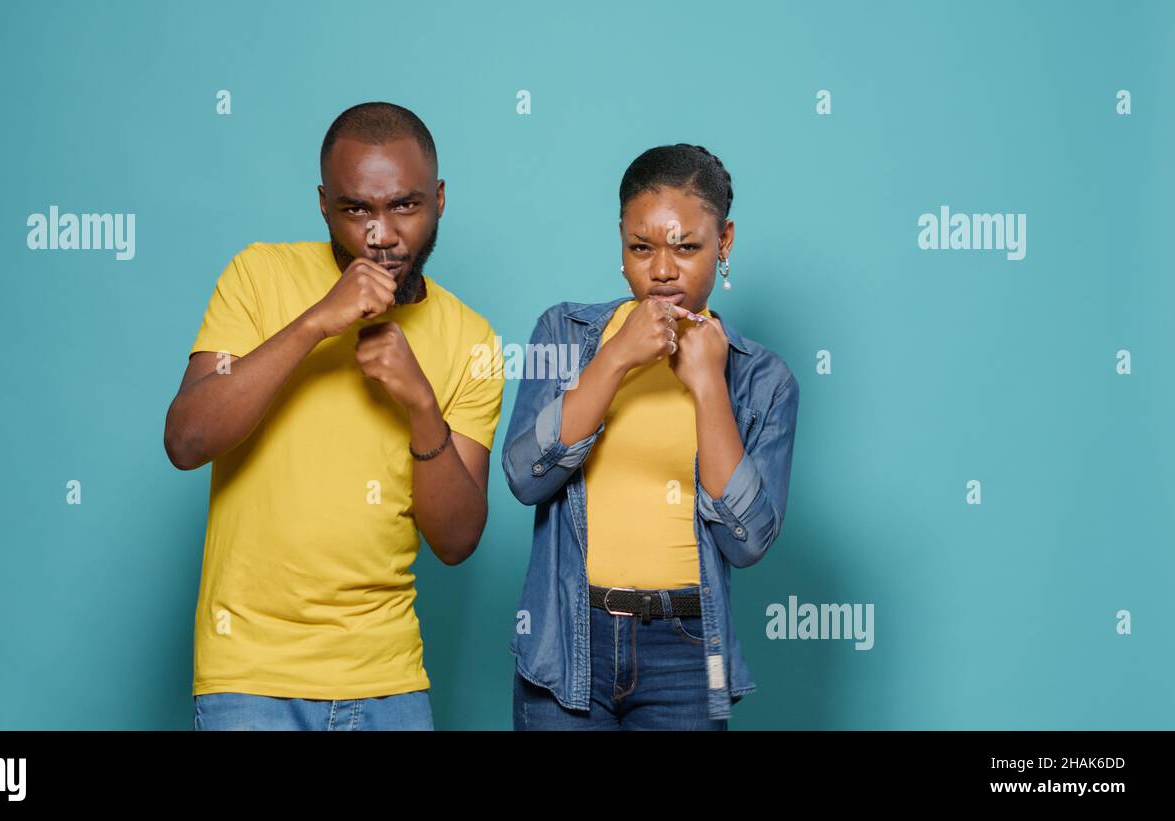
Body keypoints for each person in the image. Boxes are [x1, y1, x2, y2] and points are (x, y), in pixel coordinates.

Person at [165, 102, 504, 730]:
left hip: (389, 683)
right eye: (357, 210)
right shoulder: (258, 275)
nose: (382, 235)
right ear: (324, 205)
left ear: (440, 199)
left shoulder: (473, 340)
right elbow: (187, 439)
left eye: (406, 205)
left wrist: (421, 405)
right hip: (251, 679)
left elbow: (456, 542)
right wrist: (318, 321)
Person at [502, 143, 800, 730]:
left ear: (725, 242)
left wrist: (709, 387)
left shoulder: (763, 380)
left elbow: (748, 542)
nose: (662, 270)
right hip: (568, 638)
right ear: (620, 241)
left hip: (691, 652)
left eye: (687, 247)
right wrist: (614, 360)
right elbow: (523, 475)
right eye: (641, 247)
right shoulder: (564, 331)